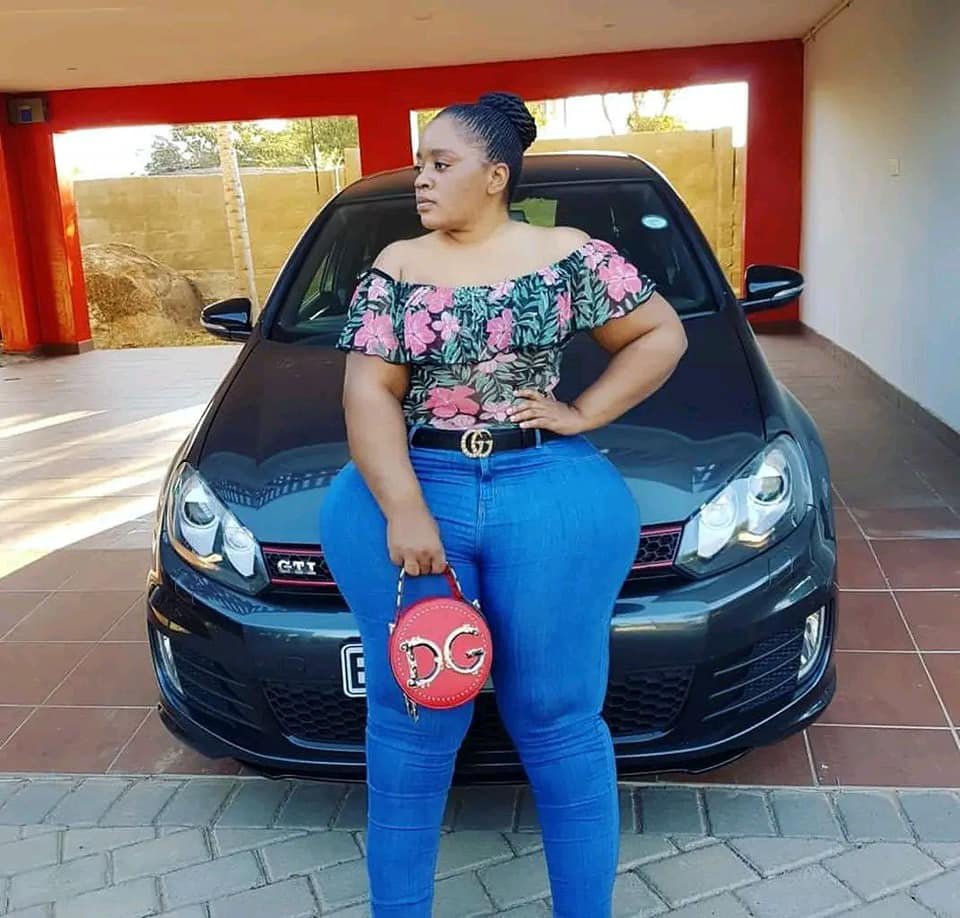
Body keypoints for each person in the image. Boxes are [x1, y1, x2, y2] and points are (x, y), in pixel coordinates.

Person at [319, 90, 688, 917]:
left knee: (557, 718)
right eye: (419, 164)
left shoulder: (567, 255)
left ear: (495, 175)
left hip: (546, 494)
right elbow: (369, 392)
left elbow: (660, 333)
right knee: (414, 726)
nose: (421, 178)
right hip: (417, 493)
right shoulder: (398, 265)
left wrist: (583, 412)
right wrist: (405, 510)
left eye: (440, 163)